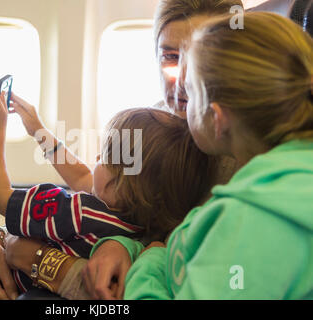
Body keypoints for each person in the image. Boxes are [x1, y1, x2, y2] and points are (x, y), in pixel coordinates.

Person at [0, 0, 241, 300]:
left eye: (200, 59)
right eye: (169, 57)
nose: (180, 79)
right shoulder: (158, 122)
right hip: (38, 265)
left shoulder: (235, 162)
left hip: (57, 284)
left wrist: (30, 255)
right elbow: (90, 180)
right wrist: (0, 238)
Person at [85, 12, 313, 299]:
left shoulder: (246, 218)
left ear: (217, 119)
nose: (180, 99)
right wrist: (125, 245)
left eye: (190, 91)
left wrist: (152, 262)